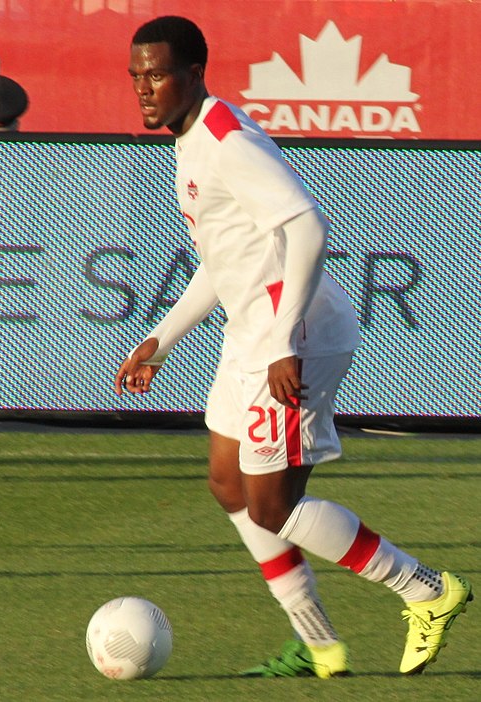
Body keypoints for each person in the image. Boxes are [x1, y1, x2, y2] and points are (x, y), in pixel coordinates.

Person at [114, 16, 473, 679]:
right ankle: (320, 645)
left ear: (194, 74)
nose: (144, 87)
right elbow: (223, 258)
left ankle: (427, 589)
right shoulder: (190, 138)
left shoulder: (226, 140)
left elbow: (308, 225)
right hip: (254, 332)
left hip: (296, 334)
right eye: (137, 74)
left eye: (157, 74)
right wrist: (162, 338)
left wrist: (282, 341)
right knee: (229, 483)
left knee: (272, 505)